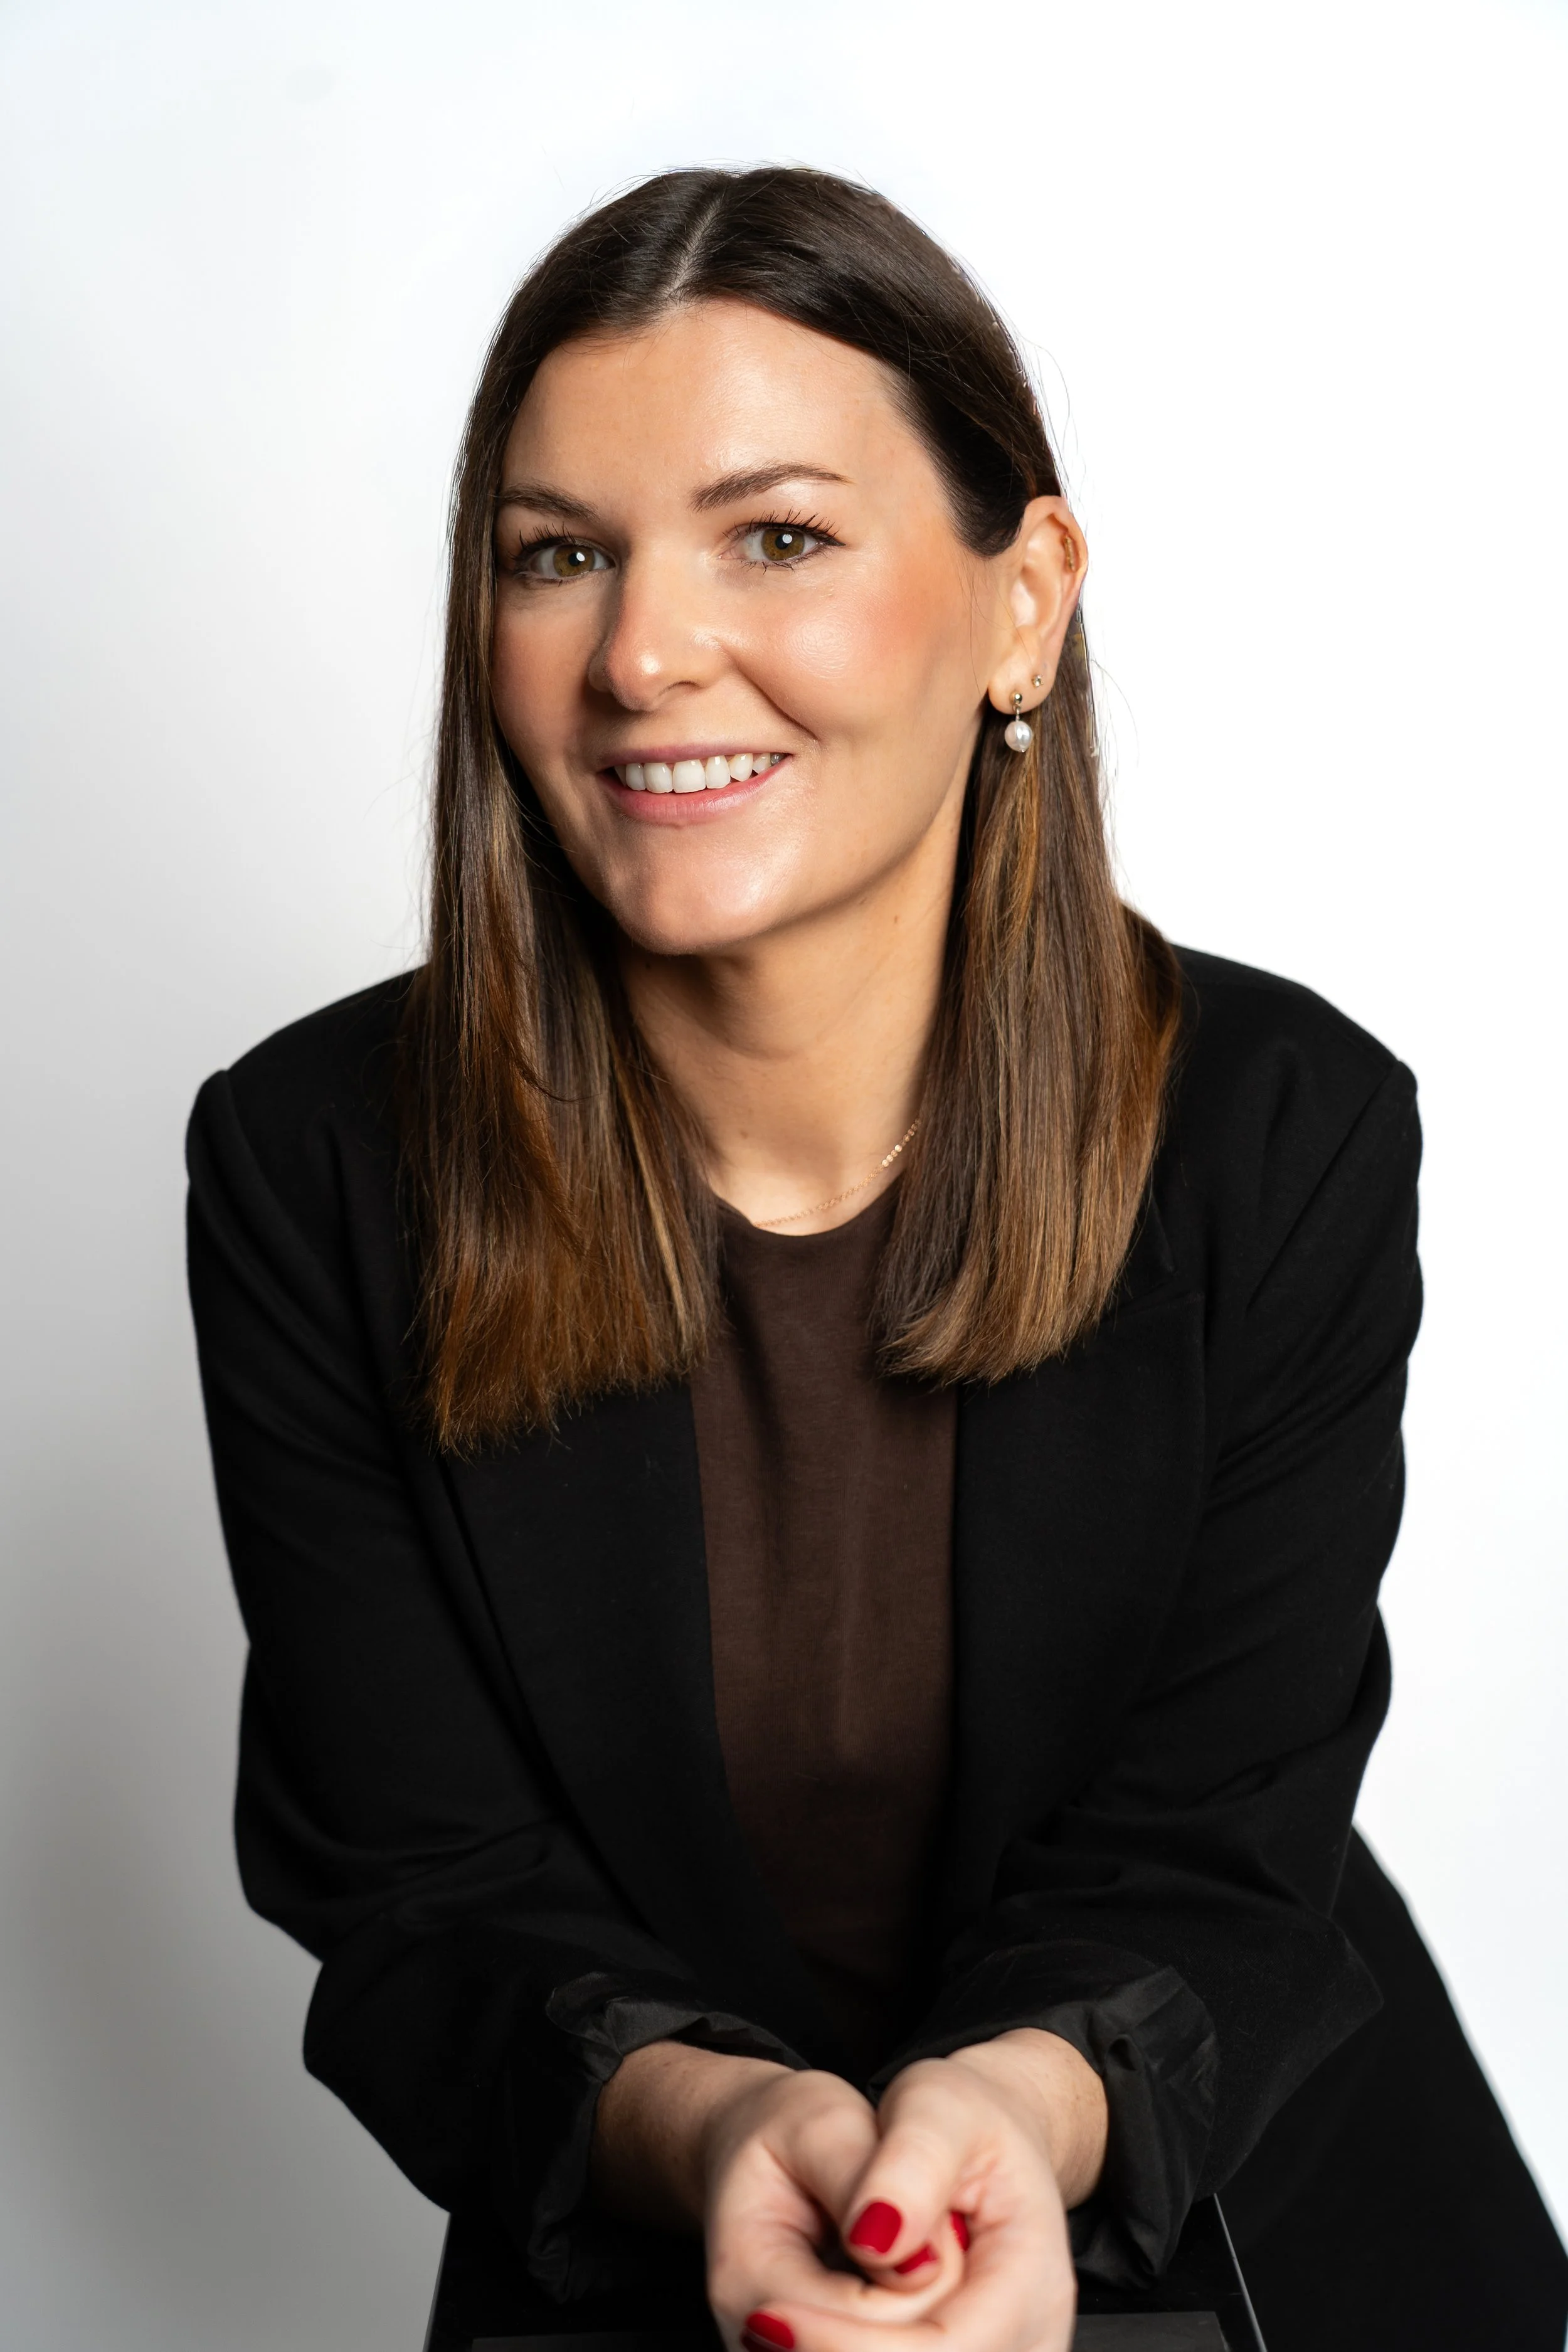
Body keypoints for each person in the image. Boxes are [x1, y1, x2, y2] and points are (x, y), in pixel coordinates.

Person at [186, 167, 1567, 2352]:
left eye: (778, 536)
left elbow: (1213, 1840)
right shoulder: (315, 1161)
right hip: (656, 2231)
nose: (642, 650)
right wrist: (732, 2128)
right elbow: (421, 1889)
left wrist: (1012, 2114)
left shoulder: (1282, 1132)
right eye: (558, 552)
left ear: (1023, 606)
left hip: (1231, 2226)